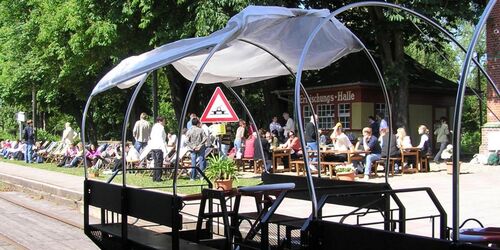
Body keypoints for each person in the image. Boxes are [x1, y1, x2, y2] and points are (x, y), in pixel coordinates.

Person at [149, 116, 167, 182]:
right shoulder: (161, 128)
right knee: (159, 163)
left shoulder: (154, 127)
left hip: (153, 147)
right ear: (160, 121)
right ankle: (158, 178)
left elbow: (151, 136)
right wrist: (164, 150)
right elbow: (161, 139)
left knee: (155, 163)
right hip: (159, 147)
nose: (164, 122)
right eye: (164, 121)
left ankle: (154, 177)